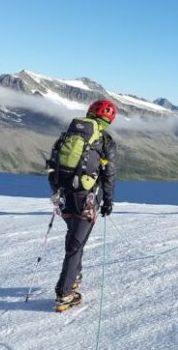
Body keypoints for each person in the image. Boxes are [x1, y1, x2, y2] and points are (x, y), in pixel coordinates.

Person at [46, 99, 118, 312]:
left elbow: (52, 163)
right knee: (75, 245)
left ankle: (74, 276)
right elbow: (109, 174)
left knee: (74, 236)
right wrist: (108, 200)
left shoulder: (67, 134)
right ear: (110, 119)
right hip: (85, 197)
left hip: (64, 195)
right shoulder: (105, 141)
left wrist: (56, 191)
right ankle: (64, 293)